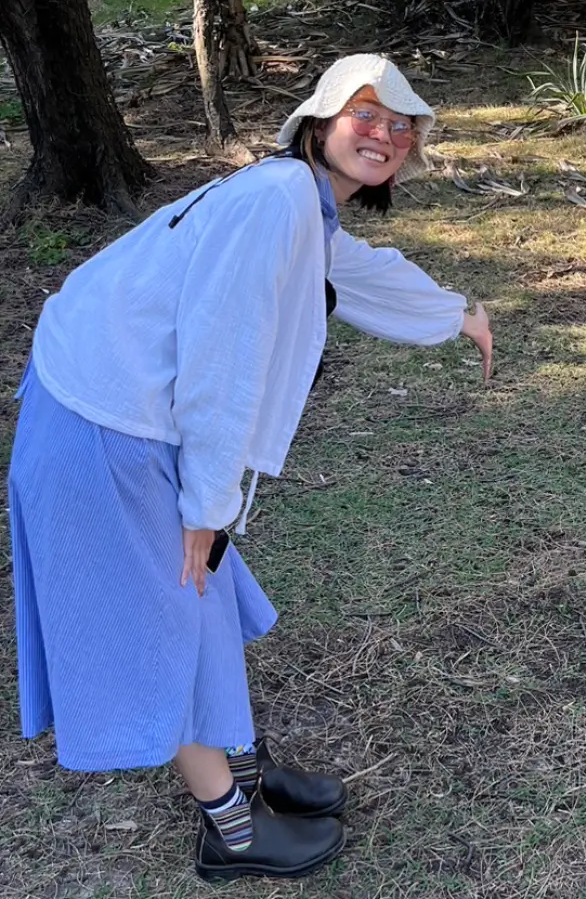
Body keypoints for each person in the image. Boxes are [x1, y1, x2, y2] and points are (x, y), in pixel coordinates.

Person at [6, 54, 492, 881]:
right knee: (172, 616)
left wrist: (458, 315)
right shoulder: (277, 201)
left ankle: (245, 770)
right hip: (101, 424)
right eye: (365, 115)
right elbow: (221, 361)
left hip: (118, 409)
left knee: (203, 601)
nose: (383, 134)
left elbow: (350, 271)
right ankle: (230, 829)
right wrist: (207, 506)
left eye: (400, 126)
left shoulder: (300, 201)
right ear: (320, 122)